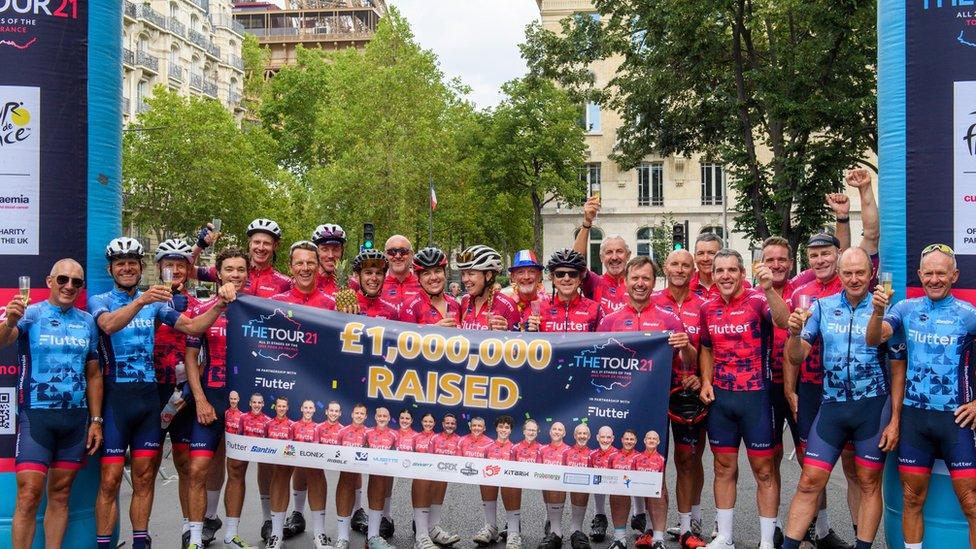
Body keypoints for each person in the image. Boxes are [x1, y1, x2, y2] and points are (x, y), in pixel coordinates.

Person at [88, 237, 233, 549]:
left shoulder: (156, 304)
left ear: (141, 268)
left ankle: (143, 541)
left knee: (143, 476)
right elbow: (109, 326)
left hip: (150, 399)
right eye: (120, 264)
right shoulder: (101, 300)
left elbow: (193, 328)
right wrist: (141, 302)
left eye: (132, 263)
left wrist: (220, 304)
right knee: (110, 480)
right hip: (116, 399)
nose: (126, 268)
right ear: (111, 269)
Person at [780, 247, 905, 549]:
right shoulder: (822, 307)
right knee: (809, 481)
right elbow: (797, 356)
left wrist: (896, 420)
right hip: (832, 407)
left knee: (868, 482)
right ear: (839, 274)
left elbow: (899, 368)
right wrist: (794, 335)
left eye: (860, 272)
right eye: (847, 273)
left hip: (873, 408)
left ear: (871, 274)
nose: (853, 279)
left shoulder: (888, 307)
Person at [866, 243, 976, 549]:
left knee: (971, 503)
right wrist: (877, 313)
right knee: (912, 499)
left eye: (941, 273)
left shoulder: (968, 314)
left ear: (955, 275)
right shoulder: (905, 309)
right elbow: (874, 338)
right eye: (928, 273)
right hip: (915, 420)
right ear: (919, 275)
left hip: (956, 420)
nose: (935, 279)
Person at [0, 259, 103, 549]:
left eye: (76, 282)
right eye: (63, 279)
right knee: (29, 495)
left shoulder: (87, 322)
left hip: (75, 420)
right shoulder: (30, 313)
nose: (69, 286)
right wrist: (9, 321)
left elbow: (94, 374)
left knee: (60, 493)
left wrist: (96, 421)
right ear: (49, 281)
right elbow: (2, 342)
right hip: (37, 418)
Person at [597, 256, 695, 549]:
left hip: (654, 409)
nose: (640, 284)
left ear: (655, 283)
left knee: (654, 472)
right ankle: (618, 536)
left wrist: (686, 347)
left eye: (646, 279)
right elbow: (596, 364)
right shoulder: (609, 321)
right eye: (635, 278)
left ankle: (660, 536)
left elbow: (687, 364)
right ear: (625, 282)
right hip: (618, 408)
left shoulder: (669, 319)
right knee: (618, 472)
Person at [698, 249, 790, 549]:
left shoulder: (758, 300)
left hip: (757, 399)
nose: (725, 276)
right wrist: (707, 381)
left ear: (741, 273)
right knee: (723, 468)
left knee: (764, 471)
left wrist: (768, 288)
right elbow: (707, 348)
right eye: (720, 270)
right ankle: (724, 537)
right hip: (721, 399)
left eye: (732, 270)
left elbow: (784, 321)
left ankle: (766, 541)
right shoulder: (707, 308)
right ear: (712, 274)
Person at [785, 233, 862, 548]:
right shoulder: (801, 293)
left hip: (850, 390)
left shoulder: (852, 287)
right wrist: (791, 390)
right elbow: (792, 346)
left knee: (853, 468)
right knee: (812, 468)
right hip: (812, 388)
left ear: (838, 255)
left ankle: (861, 536)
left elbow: (866, 239)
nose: (820, 260)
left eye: (826, 254)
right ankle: (820, 530)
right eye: (814, 255)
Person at [183, 246, 248, 549]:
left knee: (236, 469)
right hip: (210, 397)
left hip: (243, 404)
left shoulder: (257, 308)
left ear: (248, 274)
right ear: (218, 274)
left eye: (241, 270)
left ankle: (232, 533)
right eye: (229, 270)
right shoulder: (202, 308)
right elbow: (191, 358)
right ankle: (195, 536)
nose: (235, 275)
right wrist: (200, 400)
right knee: (198, 469)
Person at [271, 241, 336, 542]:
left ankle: (320, 533)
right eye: (300, 263)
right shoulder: (275, 301)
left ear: (318, 265)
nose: (306, 268)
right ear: (291, 267)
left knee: (315, 466)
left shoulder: (332, 304)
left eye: (311, 262)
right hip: (283, 394)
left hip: (318, 394)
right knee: (282, 466)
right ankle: (274, 532)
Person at [399, 248, 462, 549]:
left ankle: (434, 526)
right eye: (426, 273)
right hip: (422, 391)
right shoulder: (410, 306)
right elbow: (401, 346)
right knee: (423, 462)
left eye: (437, 271)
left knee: (443, 461)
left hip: (452, 391)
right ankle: (420, 531)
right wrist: (430, 332)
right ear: (418, 277)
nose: (434, 277)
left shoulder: (455, 304)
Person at [649, 250, 708, 549]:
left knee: (687, 460)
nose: (680, 269)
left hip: (689, 395)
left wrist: (701, 376)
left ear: (694, 268)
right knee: (650, 460)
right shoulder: (652, 301)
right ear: (665, 267)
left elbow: (710, 350)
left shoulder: (704, 304)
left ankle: (687, 526)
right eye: (675, 264)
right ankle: (650, 525)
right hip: (654, 394)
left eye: (686, 265)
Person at [150, 239, 200, 543]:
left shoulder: (197, 304)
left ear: (188, 270)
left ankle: (186, 527)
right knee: (147, 465)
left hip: (184, 392)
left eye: (181, 265)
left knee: (184, 463)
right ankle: (143, 529)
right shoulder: (145, 301)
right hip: (153, 389)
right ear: (159, 268)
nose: (175, 270)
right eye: (169, 264)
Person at [193, 218, 291, 299]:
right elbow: (187, 270)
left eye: (267, 243)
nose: (261, 248)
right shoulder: (231, 271)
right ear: (250, 243)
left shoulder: (285, 283)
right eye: (257, 242)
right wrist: (200, 245)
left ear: (275, 246)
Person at [228, 392, 272, 546]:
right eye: (254, 402)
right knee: (236, 468)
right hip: (243, 446)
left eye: (260, 403)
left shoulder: (267, 421)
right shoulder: (242, 418)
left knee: (267, 469)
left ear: (263, 404)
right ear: (249, 403)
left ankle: (268, 521)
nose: (257, 405)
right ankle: (230, 533)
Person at [572, 197, 631, 314]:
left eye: (619, 251)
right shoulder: (595, 282)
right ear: (601, 258)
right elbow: (575, 263)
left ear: (628, 256)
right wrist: (587, 223)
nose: (614, 257)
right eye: (609, 252)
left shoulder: (637, 285)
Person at [525, 249, 600, 334]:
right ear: (552, 278)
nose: (566, 278)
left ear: (580, 279)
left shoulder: (595, 309)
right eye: (560, 274)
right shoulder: (538, 309)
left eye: (573, 274)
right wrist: (529, 333)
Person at [456, 245, 521, 330]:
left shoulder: (507, 305)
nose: (464, 279)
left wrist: (507, 331)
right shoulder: (465, 301)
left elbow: (517, 340)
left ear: (488, 275)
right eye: (463, 274)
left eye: (471, 274)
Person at [334, 403, 370, 549]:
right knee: (346, 478)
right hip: (346, 469)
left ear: (366, 416)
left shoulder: (369, 433)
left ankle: (359, 512)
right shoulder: (342, 432)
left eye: (362, 414)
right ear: (351, 414)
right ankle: (342, 536)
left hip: (362, 465)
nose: (359, 416)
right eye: (357, 413)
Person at [459, 417, 497, 546]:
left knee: (489, 481)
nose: (476, 428)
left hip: (483, 476)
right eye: (474, 425)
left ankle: (491, 527)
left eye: (479, 426)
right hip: (461, 475)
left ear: (484, 428)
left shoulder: (491, 443)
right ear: (470, 427)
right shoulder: (462, 440)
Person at [365, 407, 399, 549]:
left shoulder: (394, 434)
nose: (382, 418)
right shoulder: (368, 432)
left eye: (385, 416)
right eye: (379, 415)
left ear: (389, 417)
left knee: (387, 470)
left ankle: (385, 517)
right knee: (376, 473)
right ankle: (371, 535)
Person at [263, 397, 294, 548]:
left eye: (284, 406)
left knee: (285, 475)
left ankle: (318, 533)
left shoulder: (292, 425)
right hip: (271, 455)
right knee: (277, 476)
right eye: (279, 406)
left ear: (288, 408)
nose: (281, 409)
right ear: (275, 407)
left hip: (289, 453)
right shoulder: (267, 424)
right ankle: (276, 532)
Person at [536, 422, 572, 549]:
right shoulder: (542, 450)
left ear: (564, 433)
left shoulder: (569, 450)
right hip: (546, 485)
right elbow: (538, 473)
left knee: (557, 480)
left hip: (560, 486)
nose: (557, 432)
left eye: (560, 430)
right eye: (554, 429)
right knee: (547, 478)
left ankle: (556, 531)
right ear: (550, 432)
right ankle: (549, 518)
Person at [563, 424, 594, 549]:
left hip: (582, 488)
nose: (582, 436)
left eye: (584, 434)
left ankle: (576, 530)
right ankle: (552, 527)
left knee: (582, 482)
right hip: (563, 486)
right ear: (575, 436)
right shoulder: (566, 452)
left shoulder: (593, 454)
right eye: (579, 434)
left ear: (589, 436)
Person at [588, 427, 618, 545]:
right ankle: (599, 517)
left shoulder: (618, 455)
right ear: (597, 437)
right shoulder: (592, 454)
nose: (605, 440)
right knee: (597, 475)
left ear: (613, 438)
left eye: (608, 437)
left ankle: (639, 515)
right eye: (602, 437)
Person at [501, 249, 549, 321]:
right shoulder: (505, 305)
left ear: (539, 276)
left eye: (531, 272)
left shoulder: (550, 305)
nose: (526, 277)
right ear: (513, 277)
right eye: (520, 272)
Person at [380, 235, 423, 308]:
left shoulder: (423, 284)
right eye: (392, 252)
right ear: (385, 255)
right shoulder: (376, 285)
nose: (397, 256)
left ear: (412, 254)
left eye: (403, 251)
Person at [311, 223, 347, 296]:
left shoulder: (352, 285)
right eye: (325, 249)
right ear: (316, 251)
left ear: (342, 251)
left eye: (336, 249)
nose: (331, 255)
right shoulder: (303, 282)